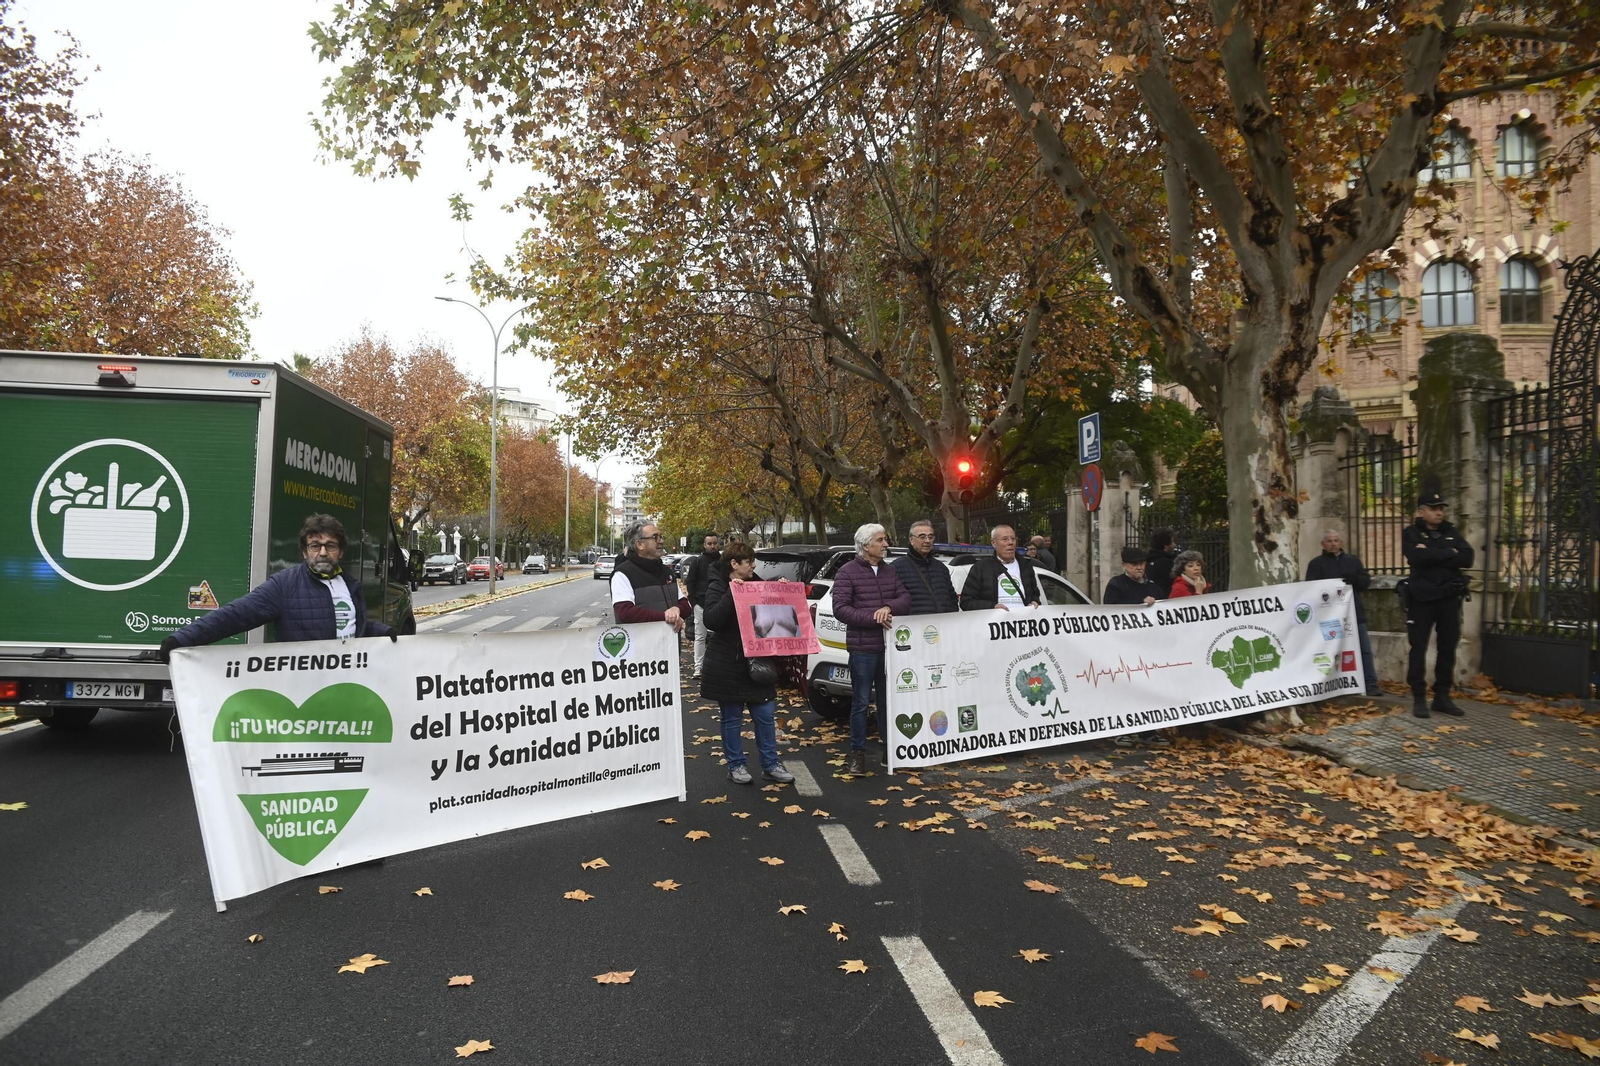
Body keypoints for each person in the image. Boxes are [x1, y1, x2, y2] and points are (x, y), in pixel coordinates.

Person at [160, 514, 396, 658]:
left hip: (349, 684)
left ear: (341, 551)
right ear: (304, 552)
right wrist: (182, 639)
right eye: (315, 546)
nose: (323, 552)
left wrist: (384, 632)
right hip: (303, 688)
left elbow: (350, 623)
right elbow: (236, 614)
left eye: (330, 545)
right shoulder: (285, 585)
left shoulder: (349, 585)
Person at [700, 542, 795, 785]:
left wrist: (781, 589)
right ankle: (736, 766)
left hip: (757, 664)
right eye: (749, 561)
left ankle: (771, 764)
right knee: (731, 717)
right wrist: (732, 594)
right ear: (734, 564)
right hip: (727, 665)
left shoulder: (756, 582)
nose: (754, 565)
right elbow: (711, 619)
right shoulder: (717, 585)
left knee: (765, 715)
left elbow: (773, 610)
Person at [830, 523, 912, 775]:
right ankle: (858, 754)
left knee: (889, 702)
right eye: (880, 540)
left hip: (890, 650)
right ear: (865, 546)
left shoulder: (890, 571)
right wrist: (873, 617)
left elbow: (905, 598)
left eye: (884, 539)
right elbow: (841, 609)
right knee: (861, 703)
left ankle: (890, 752)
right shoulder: (847, 572)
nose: (886, 544)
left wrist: (888, 607)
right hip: (863, 649)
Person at [1402, 487, 1473, 718]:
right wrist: (1448, 552)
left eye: (1441, 508)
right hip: (1422, 600)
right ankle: (1419, 697)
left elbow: (1468, 557)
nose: (1439, 512)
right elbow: (1416, 557)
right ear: (1422, 512)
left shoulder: (1451, 531)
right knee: (1418, 648)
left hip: (1448, 599)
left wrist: (1433, 552)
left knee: (1447, 648)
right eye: (1434, 509)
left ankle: (1442, 696)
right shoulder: (1412, 533)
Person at [1100, 546, 1170, 747]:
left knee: (1149, 687)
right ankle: (1124, 730)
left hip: (1149, 645)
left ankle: (1148, 731)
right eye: (1134, 564)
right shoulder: (1116, 585)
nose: (1139, 567)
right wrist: (1140, 604)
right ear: (1124, 566)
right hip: (1125, 645)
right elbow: (1110, 612)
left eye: (1141, 563)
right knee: (1126, 688)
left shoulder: (1154, 587)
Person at [1306, 529, 1381, 697]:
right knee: (1330, 650)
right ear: (1323, 544)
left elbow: (1365, 582)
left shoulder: (1353, 561)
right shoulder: (1316, 564)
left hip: (1355, 613)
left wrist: (1356, 580)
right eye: (1329, 541)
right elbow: (1311, 587)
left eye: (1336, 540)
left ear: (1341, 542)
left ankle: (1371, 683)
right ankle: (1332, 684)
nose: (1333, 544)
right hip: (1329, 617)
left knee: (1364, 650)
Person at [610, 520, 689, 633]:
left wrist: (677, 609)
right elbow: (625, 612)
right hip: (640, 646)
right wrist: (665, 617)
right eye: (655, 537)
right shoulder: (623, 574)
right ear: (639, 544)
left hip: (670, 646)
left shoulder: (667, 572)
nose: (661, 541)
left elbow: (686, 605)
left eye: (661, 536)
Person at [961, 525, 1041, 611]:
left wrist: (1035, 602)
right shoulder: (981, 568)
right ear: (994, 543)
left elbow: (1035, 595)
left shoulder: (1026, 566)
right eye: (1005, 539)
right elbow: (966, 602)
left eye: (1013, 539)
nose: (1010, 542)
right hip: (994, 623)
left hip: (1022, 622)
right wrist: (992, 607)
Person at [892, 519, 959, 615]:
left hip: (944, 625)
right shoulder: (897, 567)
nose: (927, 541)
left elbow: (952, 598)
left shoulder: (941, 568)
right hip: (913, 626)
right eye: (922, 537)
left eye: (930, 537)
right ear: (911, 540)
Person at [684, 532, 722, 679]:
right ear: (704, 545)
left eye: (715, 543)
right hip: (701, 604)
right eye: (709, 544)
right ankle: (698, 668)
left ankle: (717, 668)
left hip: (720, 604)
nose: (712, 546)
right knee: (700, 637)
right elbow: (690, 582)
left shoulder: (723, 561)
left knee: (720, 637)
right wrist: (693, 603)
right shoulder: (698, 562)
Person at [1146, 529, 1178, 598]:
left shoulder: (1148, 560)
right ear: (1165, 545)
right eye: (1173, 542)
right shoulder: (1168, 563)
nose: (1175, 544)